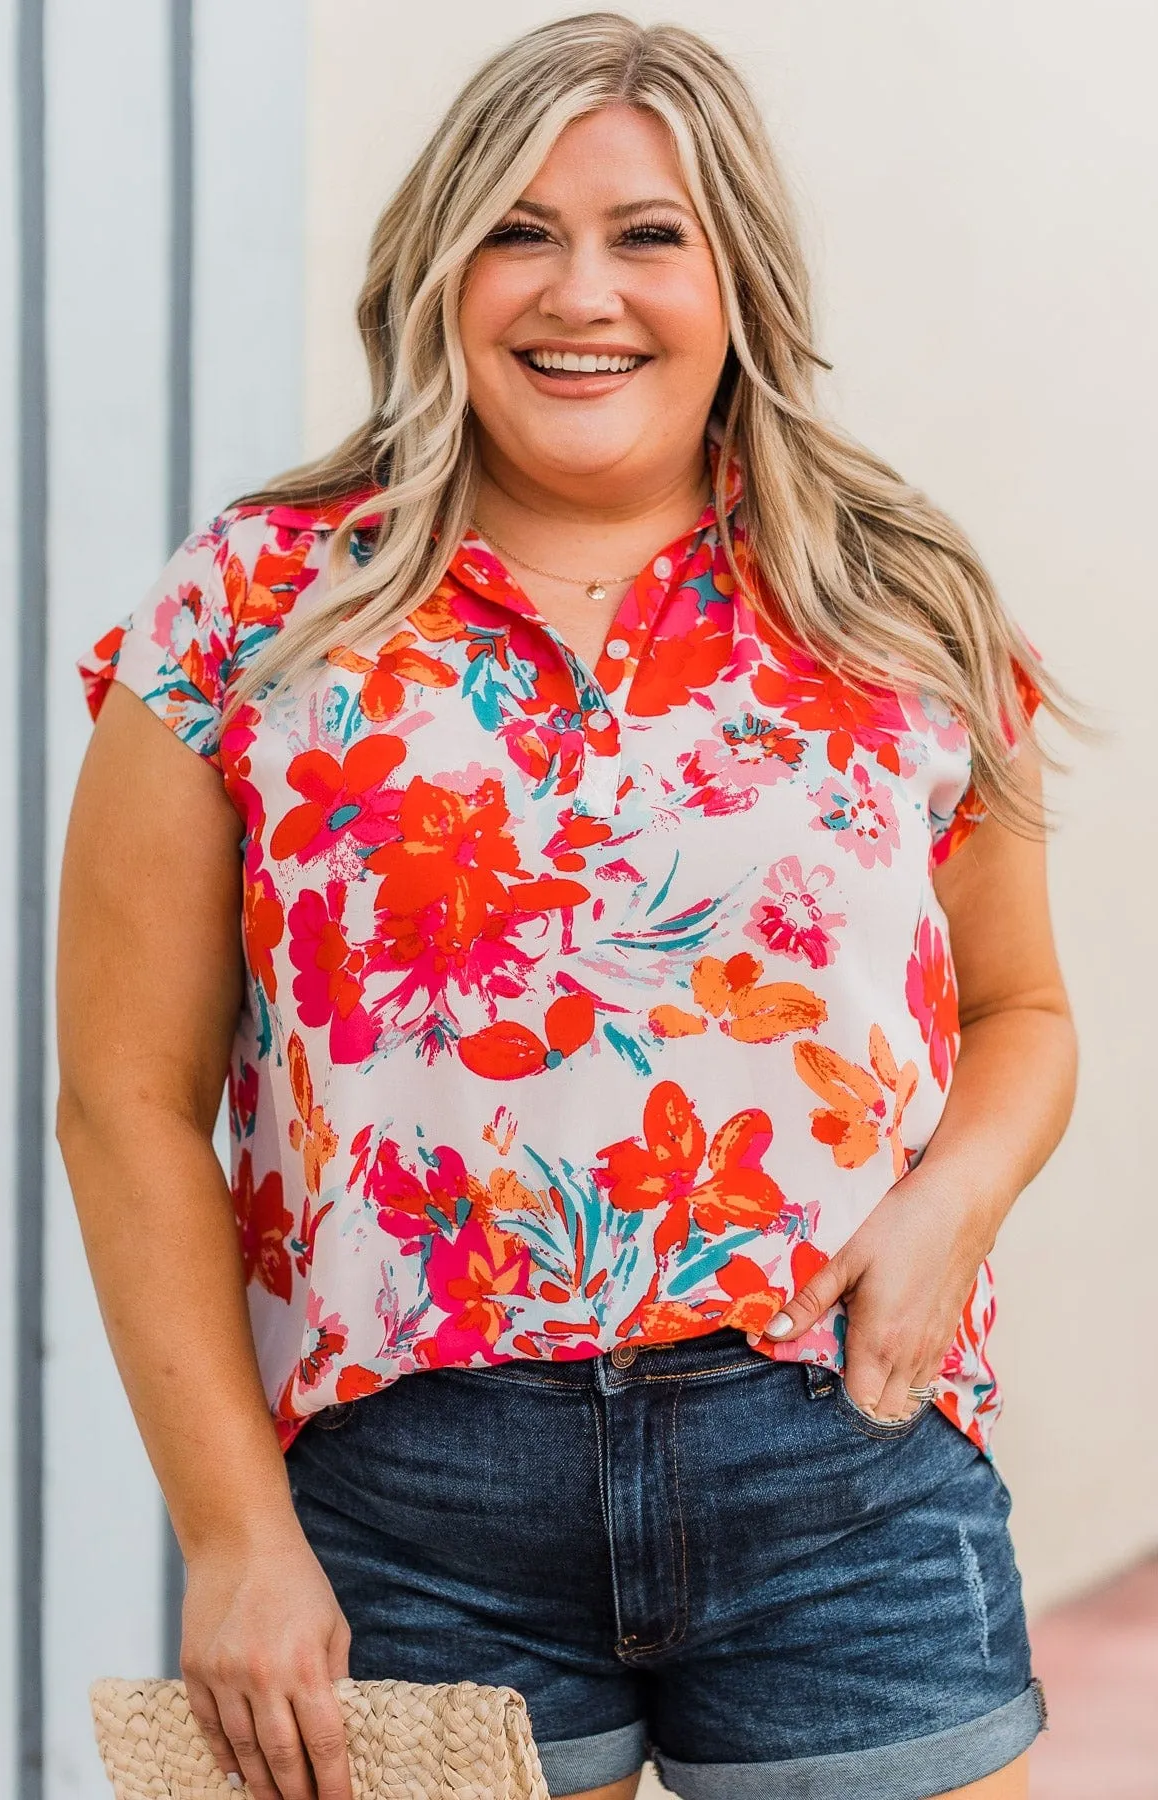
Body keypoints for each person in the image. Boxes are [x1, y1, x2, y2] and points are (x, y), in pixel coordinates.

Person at [56, 14, 1081, 1800]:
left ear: (738, 276)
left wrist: (954, 1207)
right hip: (414, 1507)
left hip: (842, 1466)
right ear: (440, 269)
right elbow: (123, 1101)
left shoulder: (896, 604)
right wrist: (230, 1536)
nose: (577, 290)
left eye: (646, 233)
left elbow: (1023, 1015)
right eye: (517, 229)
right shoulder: (257, 609)